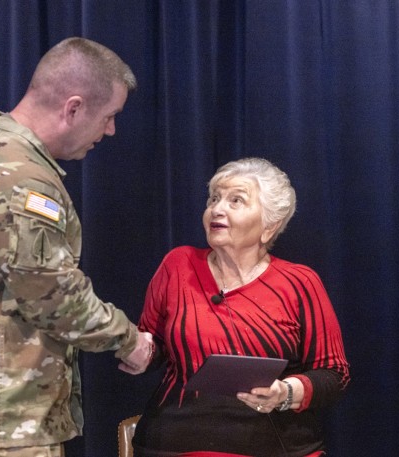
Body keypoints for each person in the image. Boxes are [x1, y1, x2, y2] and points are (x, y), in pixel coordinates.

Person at [0, 37, 153, 457]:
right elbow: (50, 294)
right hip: (4, 422)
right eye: (109, 116)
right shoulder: (17, 173)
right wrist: (128, 340)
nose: (111, 130)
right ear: (74, 107)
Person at [129, 158, 350, 457]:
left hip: (277, 444)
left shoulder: (300, 282)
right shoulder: (178, 265)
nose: (217, 209)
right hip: (175, 443)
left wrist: (284, 393)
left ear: (269, 227)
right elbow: (152, 345)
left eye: (236, 201)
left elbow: (334, 374)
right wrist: (137, 350)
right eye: (214, 199)